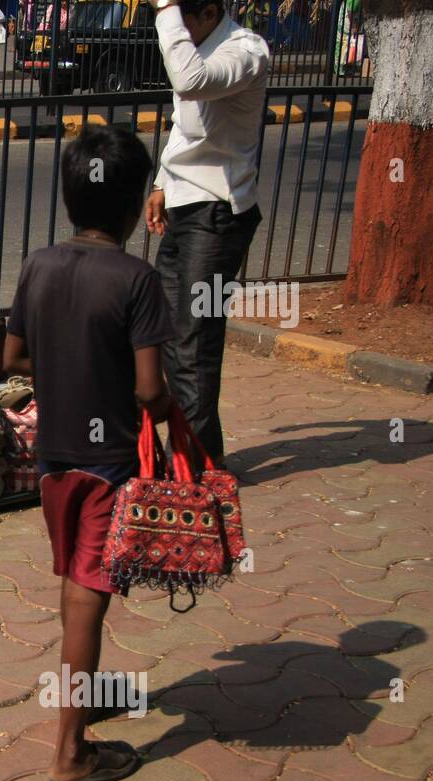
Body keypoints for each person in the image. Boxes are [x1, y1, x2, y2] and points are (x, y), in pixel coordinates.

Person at [3, 126, 174, 781]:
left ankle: (85, 694)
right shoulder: (136, 278)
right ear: (134, 207)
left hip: (52, 463)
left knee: (75, 587)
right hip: (108, 466)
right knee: (86, 599)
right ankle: (71, 754)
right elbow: (151, 388)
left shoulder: (39, 265)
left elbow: (13, 360)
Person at [144, 0, 268, 466]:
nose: (178, 30)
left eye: (183, 18)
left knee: (195, 340)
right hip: (185, 207)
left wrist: (165, 10)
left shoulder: (246, 50)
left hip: (219, 216)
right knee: (171, 335)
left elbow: (189, 83)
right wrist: (161, 182)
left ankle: (195, 468)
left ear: (209, 11)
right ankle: (192, 456)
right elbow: (185, 125)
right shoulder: (197, 49)